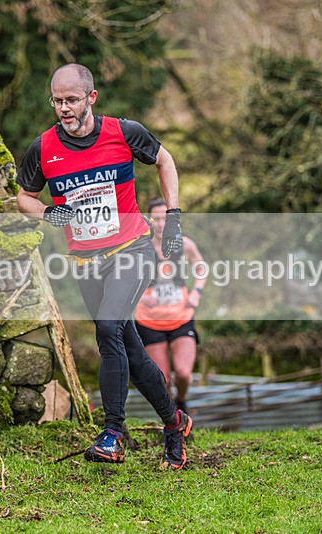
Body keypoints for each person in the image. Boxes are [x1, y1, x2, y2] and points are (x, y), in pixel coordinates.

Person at [16, 63, 193, 469]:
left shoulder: (123, 131)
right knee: (128, 347)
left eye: (72, 100)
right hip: (86, 263)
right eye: (57, 101)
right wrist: (47, 213)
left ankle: (113, 432)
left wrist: (174, 216)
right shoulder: (43, 147)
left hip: (132, 249)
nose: (64, 108)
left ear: (91, 98)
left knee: (108, 328)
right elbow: (23, 196)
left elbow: (165, 161)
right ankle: (174, 422)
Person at [135, 198, 207, 414]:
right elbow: (122, 278)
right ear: (149, 221)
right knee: (163, 379)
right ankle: (172, 420)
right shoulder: (140, 247)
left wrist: (196, 292)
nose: (160, 224)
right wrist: (138, 297)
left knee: (184, 374)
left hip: (180, 317)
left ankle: (182, 401)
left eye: (164, 219)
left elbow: (201, 268)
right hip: (150, 321)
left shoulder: (184, 244)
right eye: (155, 219)